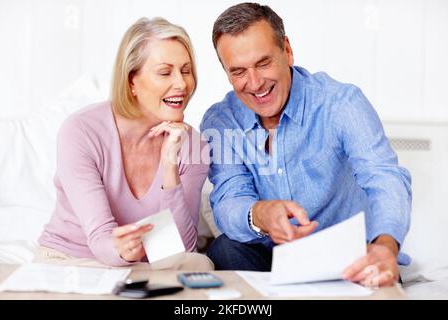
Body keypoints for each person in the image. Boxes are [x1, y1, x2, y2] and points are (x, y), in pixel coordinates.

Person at [200, 2, 411, 287]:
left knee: (377, 271)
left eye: (263, 63)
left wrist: (385, 246)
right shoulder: (221, 120)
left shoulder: (340, 103)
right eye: (238, 71)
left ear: (287, 51)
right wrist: (259, 214)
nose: (255, 83)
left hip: (347, 258)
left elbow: (385, 177)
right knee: (223, 249)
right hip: (270, 260)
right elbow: (229, 198)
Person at [37, 17, 213, 270]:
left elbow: (181, 249)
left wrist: (169, 165)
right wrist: (121, 248)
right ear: (131, 81)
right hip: (75, 260)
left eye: (186, 71)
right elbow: (100, 239)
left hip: (147, 266)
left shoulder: (193, 145)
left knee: (198, 265)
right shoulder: (81, 131)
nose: (182, 84)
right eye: (165, 72)